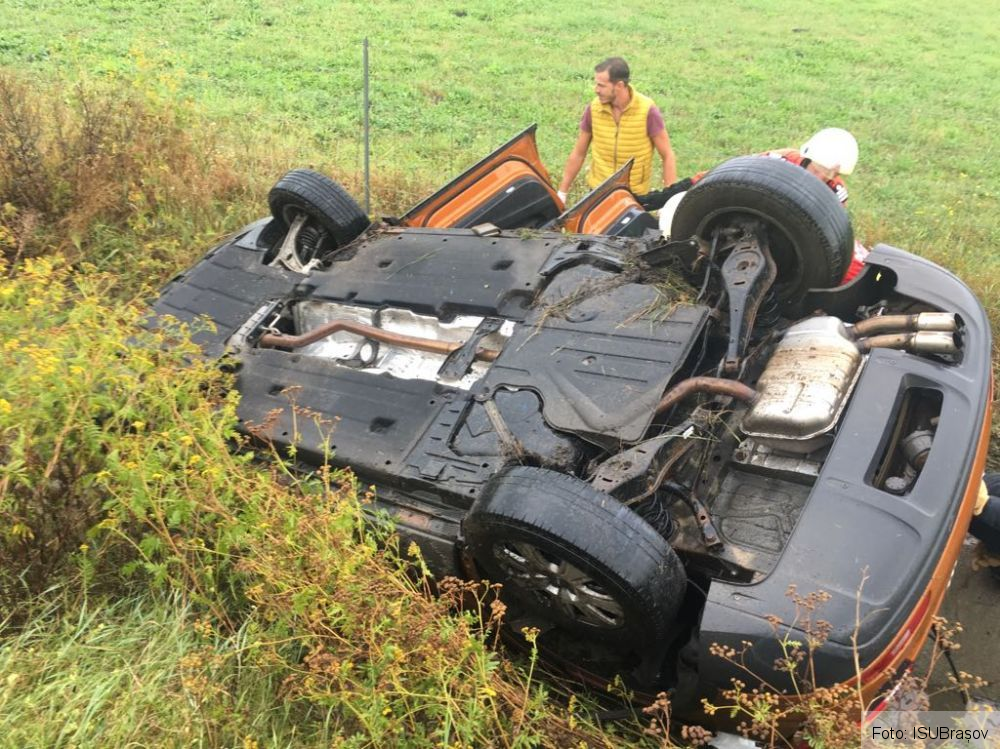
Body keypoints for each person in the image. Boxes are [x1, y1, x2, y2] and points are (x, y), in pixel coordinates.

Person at [654, 127, 869, 283]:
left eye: (833, 174)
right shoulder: (778, 161)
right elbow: (730, 176)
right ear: (807, 157)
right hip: (744, 226)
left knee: (859, 270)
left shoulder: (835, 191)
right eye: (820, 170)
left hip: (790, 248)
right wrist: (670, 193)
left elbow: (828, 239)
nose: (825, 178)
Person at [557, 57, 677, 203]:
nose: (596, 90)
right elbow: (578, 153)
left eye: (601, 86)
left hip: (633, 196)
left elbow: (667, 155)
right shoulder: (594, 109)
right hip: (598, 192)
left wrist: (669, 200)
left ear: (619, 85)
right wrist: (562, 192)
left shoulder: (647, 110)